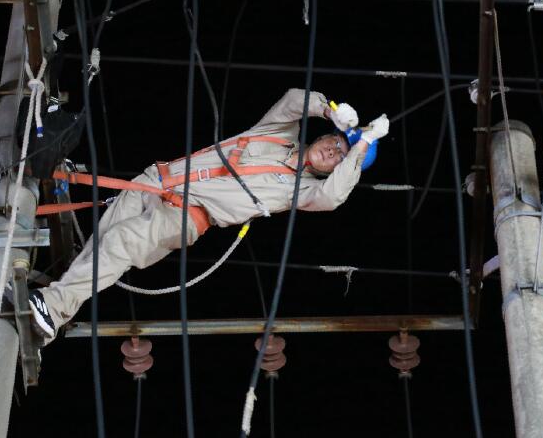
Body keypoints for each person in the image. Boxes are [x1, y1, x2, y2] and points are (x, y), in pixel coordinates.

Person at [27, 88, 390, 339]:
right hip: (154, 181)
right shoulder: (277, 133)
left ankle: (53, 309)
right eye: (335, 141)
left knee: (121, 243)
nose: (333, 151)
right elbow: (295, 99)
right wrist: (330, 110)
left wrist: (363, 146)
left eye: (342, 156)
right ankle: (48, 323)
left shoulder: (304, 191)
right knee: (100, 249)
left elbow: (333, 196)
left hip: (185, 214)